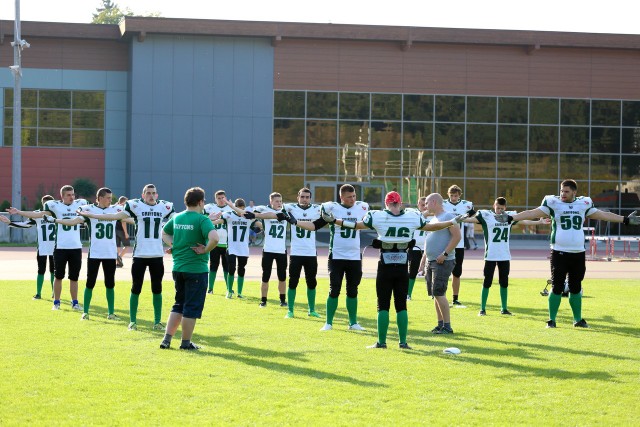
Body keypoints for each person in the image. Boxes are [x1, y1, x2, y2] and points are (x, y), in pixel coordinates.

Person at [297, 191, 464, 349]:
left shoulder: (378, 216)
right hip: (402, 264)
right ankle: (403, 342)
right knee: (401, 306)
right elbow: (431, 227)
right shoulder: (412, 216)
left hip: (385, 264)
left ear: (386, 203)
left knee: (382, 305)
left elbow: (356, 225)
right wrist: (451, 222)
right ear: (400, 203)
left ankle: (381, 342)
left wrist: (335, 221)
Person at [495, 179, 639, 328]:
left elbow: (603, 215)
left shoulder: (584, 203)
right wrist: (512, 217)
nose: (562, 194)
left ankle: (577, 319)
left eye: (566, 191)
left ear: (574, 192)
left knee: (575, 287)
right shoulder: (552, 202)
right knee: (557, 286)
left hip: (578, 253)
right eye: (561, 191)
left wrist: (625, 220)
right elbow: (532, 212)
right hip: (559, 252)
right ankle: (551, 320)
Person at [78, 184, 174, 331]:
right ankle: (132, 321)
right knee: (136, 288)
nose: (151, 195)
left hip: (156, 254)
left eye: (153, 193)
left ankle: (157, 321)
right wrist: (92, 215)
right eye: (148, 193)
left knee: (157, 289)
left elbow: (179, 220)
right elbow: (115, 217)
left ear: (157, 194)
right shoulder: (135, 206)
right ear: (143, 195)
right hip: (140, 255)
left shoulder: (164, 207)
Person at [291, 184, 369, 331]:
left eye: (354, 196)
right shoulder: (332, 209)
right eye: (349, 197)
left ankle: (353, 323)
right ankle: (328, 322)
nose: (352, 199)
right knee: (334, 289)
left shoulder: (361, 207)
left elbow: (366, 225)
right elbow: (314, 226)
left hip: (354, 256)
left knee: (353, 290)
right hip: (337, 256)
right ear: (341, 197)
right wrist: (296, 222)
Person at [7, 185, 88, 310]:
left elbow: (93, 212)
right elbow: (37, 214)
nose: (72, 197)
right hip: (60, 247)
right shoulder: (54, 206)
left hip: (76, 247)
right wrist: (19, 212)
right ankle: (56, 302)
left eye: (73, 194)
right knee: (58, 276)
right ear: (62, 196)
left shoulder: (80, 204)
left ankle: (75, 302)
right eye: (68, 195)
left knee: (74, 277)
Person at [464, 197, 549, 316]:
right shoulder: (487, 216)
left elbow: (523, 221)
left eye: (501, 208)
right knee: (487, 282)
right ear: (494, 206)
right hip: (491, 255)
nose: (499, 210)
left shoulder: (509, 216)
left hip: (504, 255)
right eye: (497, 207)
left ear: (505, 208)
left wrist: (539, 222)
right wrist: (461, 219)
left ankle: (504, 308)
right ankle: (482, 309)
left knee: (504, 282)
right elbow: (472, 220)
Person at [159, 187, 218, 350]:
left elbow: (164, 232)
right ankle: (185, 343)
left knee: (178, 304)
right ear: (200, 202)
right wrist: (205, 249)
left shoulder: (177, 217)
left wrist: (174, 245)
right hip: (196, 269)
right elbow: (215, 238)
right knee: (191, 307)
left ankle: (166, 339)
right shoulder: (202, 219)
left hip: (178, 268)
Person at [52, 187, 123, 320]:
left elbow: (129, 217)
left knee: (110, 284)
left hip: (110, 253)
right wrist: (56, 220)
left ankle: (111, 313)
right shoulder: (89, 209)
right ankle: (85, 312)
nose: (110, 200)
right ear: (100, 198)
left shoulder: (115, 209)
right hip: (95, 253)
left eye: (111, 198)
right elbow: (73, 222)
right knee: (90, 283)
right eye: (108, 198)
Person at [419, 193, 462, 334]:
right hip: (431, 261)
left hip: (442, 261)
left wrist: (445, 254)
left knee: (439, 292)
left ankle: (447, 326)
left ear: (434, 202)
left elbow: (457, 237)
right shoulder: (434, 219)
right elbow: (429, 241)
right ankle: (440, 324)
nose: (425, 206)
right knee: (435, 294)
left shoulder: (448, 217)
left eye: (427, 203)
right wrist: (423, 261)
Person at [1, 195, 56, 300]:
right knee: (41, 270)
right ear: (42, 204)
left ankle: (55, 292)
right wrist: (10, 222)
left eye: (49, 204)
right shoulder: (36, 214)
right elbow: (25, 224)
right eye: (45, 204)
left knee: (54, 270)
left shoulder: (57, 214)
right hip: (43, 246)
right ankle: (38, 293)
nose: (47, 206)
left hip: (55, 246)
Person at [283, 188, 322, 318]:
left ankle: (311, 310)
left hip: (310, 252)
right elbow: (276, 207)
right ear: (298, 197)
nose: (305, 199)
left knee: (311, 282)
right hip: (296, 252)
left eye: (307, 197)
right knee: (293, 281)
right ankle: (290, 310)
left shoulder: (316, 210)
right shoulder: (291, 208)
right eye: (302, 197)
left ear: (310, 198)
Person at [209, 198, 256, 299]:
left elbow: (258, 225)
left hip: (243, 248)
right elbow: (219, 221)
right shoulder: (229, 215)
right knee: (231, 269)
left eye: (242, 209)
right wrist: (207, 221)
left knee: (241, 269)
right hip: (232, 247)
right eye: (238, 209)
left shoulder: (248, 216)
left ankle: (239, 293)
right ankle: (229, 291)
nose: (240, 212)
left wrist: (260, 227)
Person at [251, 192, 289, 308]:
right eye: (277, 201)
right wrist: (260, 226)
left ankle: (283, 300)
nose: (279, 203)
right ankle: (263, 300)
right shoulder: (265, 211)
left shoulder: (285, 212)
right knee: (265, 276)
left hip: (281, 250)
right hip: (268, 249)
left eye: (280, 201)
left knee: (282, 276)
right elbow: (254, 216)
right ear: (271, 202)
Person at [442, 185, 474, 308]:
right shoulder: (443, 204)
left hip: (459, 243)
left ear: (459, 195)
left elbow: (472, 214)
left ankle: (455, 298)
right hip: (445, 241)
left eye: (456, 196)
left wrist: (466, 217)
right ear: (448, 194)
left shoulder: (466, 204)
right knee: (443, 270)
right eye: (452, 195)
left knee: (457, 271)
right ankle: (441, 296)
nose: (454, 198)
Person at [203, 190, 233, 294]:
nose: (221, 200)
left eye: (223, 198)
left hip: (227, 243)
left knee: (227, 266)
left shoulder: (230, 208)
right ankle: (210, 288)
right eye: (219, 198)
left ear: (226, 198)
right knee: (213, 265)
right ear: (215, 199)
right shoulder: (209, 208)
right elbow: (201, 218)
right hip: (214, 242)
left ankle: (229, 289)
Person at [406, 196, 430, 300]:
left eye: (426, 204)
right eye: (422, 204)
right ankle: (408, 293)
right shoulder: (413, 214)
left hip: (428, 247)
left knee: (430, 271)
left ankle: (432, 294)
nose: (424, 207)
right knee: (412, 271)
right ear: (418, 205)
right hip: (415, 247)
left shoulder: (433, 217)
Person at [115, 196, 130, 268]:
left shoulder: (115, 208)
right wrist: (126, 233)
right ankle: (119, 257)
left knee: (117, 247)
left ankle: (117, 262)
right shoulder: (123, 209)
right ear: (123, 202)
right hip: (121, 230)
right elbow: (123, 222)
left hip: (115, 229)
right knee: (127, 246)